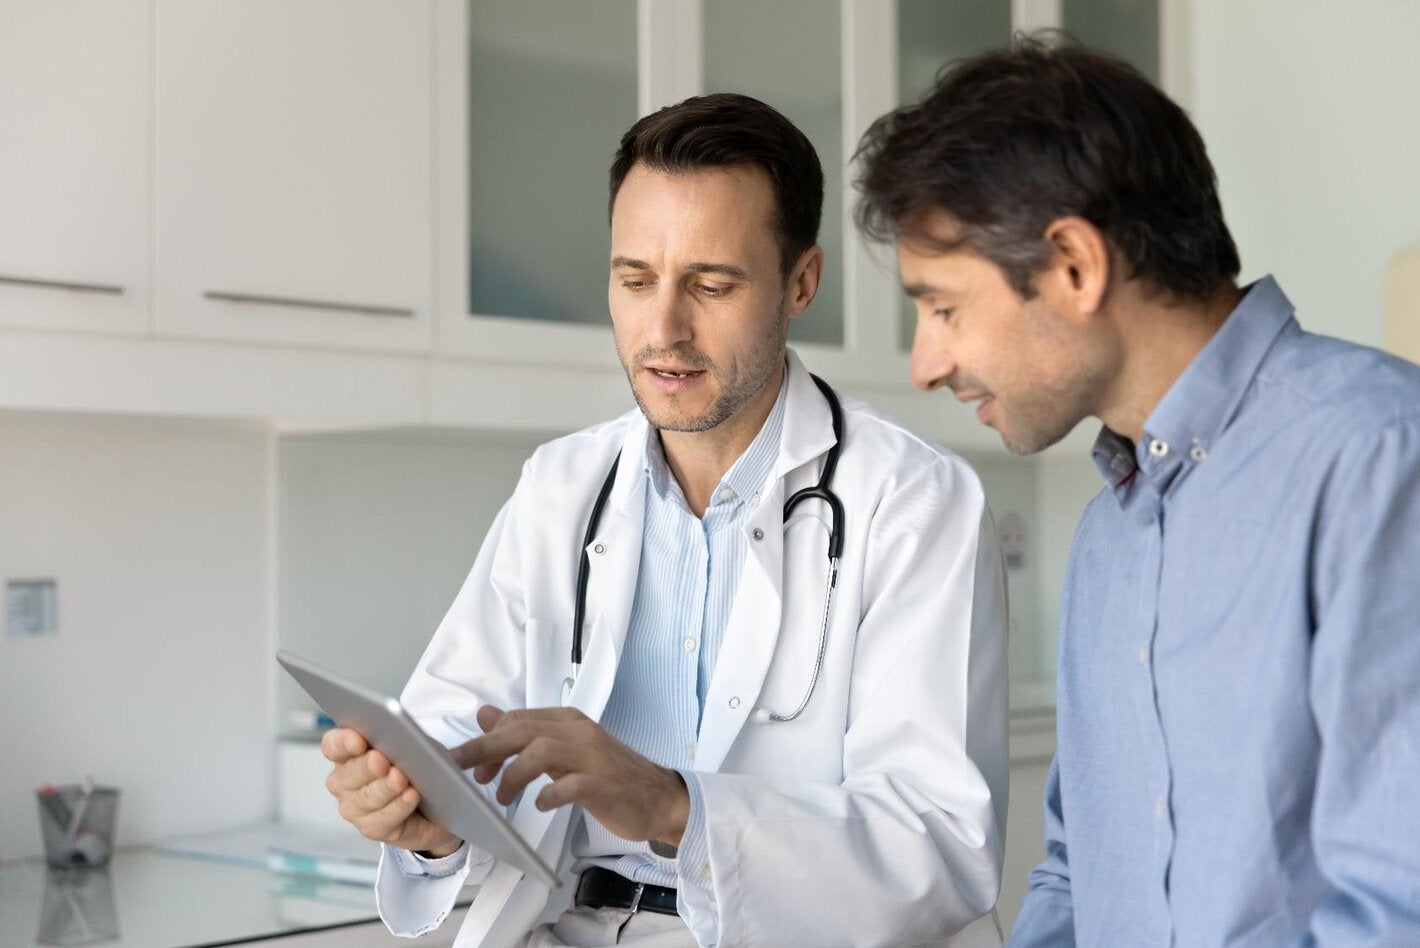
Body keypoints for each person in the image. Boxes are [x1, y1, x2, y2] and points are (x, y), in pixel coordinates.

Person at [321, 92, 1009, 947]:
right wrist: (423, 822)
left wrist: (673, 806)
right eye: (635, 280)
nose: (663, 329)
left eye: (711, 284)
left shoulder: (911, 502)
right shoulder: (561, 485)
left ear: (801, 283)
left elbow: (940, 848)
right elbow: (459, 734)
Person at [854, 37, 1420, 946]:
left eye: (944, 307)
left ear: (1075, 266)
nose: (927, 364)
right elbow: (1078, 875)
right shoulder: (1110, 538)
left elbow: (1400, 911)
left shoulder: (1380, 461)